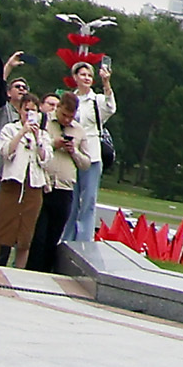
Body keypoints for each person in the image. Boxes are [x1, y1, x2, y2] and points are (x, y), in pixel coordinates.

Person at [58, 58, 116, 246]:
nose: (86, 78)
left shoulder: (96, 100)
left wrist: (106, 83)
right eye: (82, 74)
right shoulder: (70, 99)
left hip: (91, 153)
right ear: (75, 77)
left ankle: (84, 240)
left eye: (90, 75)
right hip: (71, 152)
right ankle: (67, 238)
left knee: (88, 200)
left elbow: (110, 107)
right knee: (71, 200)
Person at [0, 93, 51, 264]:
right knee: (1, 229)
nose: (29, 114)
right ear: (20, 111)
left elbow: (46, 160)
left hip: (33, 185)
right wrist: (22, 132)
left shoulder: (43, 135)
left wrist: (38, 138)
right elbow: (6, 152)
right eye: (26, 110)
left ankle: (18, 270)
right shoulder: (10, 129)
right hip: (12, 183)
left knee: (25, 235)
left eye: (33, 111)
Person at [24, 91, 79, 273]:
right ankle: (31, 269)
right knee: (38, 235)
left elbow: (86, 163)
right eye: (64, 115)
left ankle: (46, 272)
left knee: (53, 235)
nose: (66, 120)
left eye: (71, 117)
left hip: (65, 187)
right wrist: (54, 144)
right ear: (58, 108)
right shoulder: (45, 122)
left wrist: (74, 151)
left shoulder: (78, 131)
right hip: (45, 185)